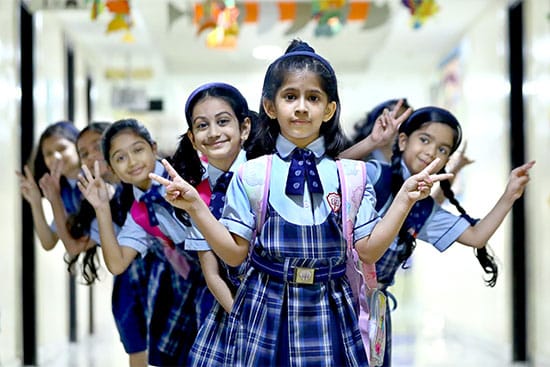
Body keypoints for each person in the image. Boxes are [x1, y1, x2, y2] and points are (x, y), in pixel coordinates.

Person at [150, 39, 452, 366]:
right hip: (264, 307)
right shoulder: (252, 175)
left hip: (331, 307)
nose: (302, 107)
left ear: (330, 109)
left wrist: (405, 198)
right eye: (290, 97)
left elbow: (368, 251)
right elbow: (235, 254)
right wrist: (196, 205)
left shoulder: (353, 176)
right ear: (270, 106)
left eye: (314, 98)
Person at [357, 106, 535, 366]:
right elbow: (329, 170)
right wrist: (371, 142)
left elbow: (476, 236)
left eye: (442, 149)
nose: (431, 152)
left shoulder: (424, 208)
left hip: (375, 310)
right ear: (404, 141)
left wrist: (510, 194)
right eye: (425, 140)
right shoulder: (372, 175)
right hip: (340, 300)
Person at [77, 119, 203, 366]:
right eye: (120, 158)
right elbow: (117, 264)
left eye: (137, 150)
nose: (132, 162)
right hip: (191, 283)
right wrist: (101, 208)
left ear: (153, 148)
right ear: (112, 168)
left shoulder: (188, 173)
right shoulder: (140, 210)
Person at [170, 82, 254, 366]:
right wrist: (242, 318)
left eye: (222, 121)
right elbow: (212, 273)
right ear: (193, 139)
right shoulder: (197, 194)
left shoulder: (265, 174)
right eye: (203, 125)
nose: (214, 132)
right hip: (227, 311)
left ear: (244, 128)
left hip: (280, 303)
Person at [65, 122, 149, 367]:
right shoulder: (95, 201)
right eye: (84, 153)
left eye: (97, 145)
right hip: (129, 288)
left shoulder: (144, 190)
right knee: (139, 353)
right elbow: (77, 248)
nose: (92, 155)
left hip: (167, 282)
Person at [17, 121, 82, 251]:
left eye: (62, 148)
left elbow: (74, 247)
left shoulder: (96, 179)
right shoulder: (65, 192)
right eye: (48, 154)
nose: (56, 157)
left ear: (78, 145)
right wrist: (35, 202)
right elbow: (48, 242)